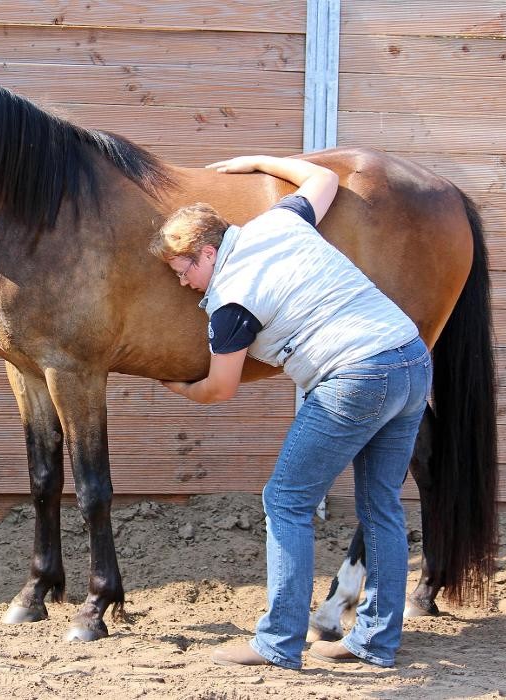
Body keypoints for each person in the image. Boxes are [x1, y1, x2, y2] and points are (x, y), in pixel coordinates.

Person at [150, 155, 432, 670]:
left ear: (207, 252)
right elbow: (322, 178)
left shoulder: (230, 304)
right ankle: (374, 640)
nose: (185, 282)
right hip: (411, 359)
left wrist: (178, 388)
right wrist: (256, 160)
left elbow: (220, 388)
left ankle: (278, 642)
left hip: (357, 377)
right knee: (382, 505)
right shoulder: (279, 220)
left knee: (286, 501)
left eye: (183, 269)